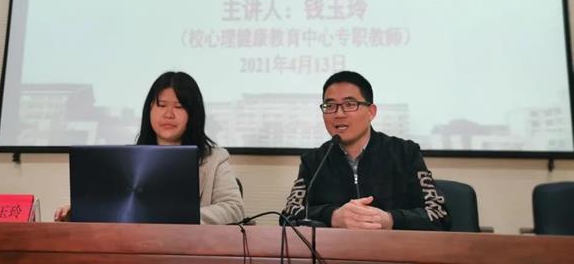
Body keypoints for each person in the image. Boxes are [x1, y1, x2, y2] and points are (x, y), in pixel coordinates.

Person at [55, 71, 244, 225]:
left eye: (178, 107)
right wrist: (80, 212)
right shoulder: (125, 159)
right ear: (150, 109)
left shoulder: (215, 159)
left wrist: (180, 218)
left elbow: (234, 208)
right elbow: (109, 207)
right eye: (161, 105)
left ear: (193, 114)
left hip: (192, 250)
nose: (168, 114)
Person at [282, 70, 450, 231]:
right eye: (330, 106)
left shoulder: (405, 153)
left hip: (393, 248)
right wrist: (333, 216)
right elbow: (288, 216)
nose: (339, 114)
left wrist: (390, 220)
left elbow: (439, 215)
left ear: (371, 112)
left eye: (349, 104)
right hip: (336, 249)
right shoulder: (314, 161)